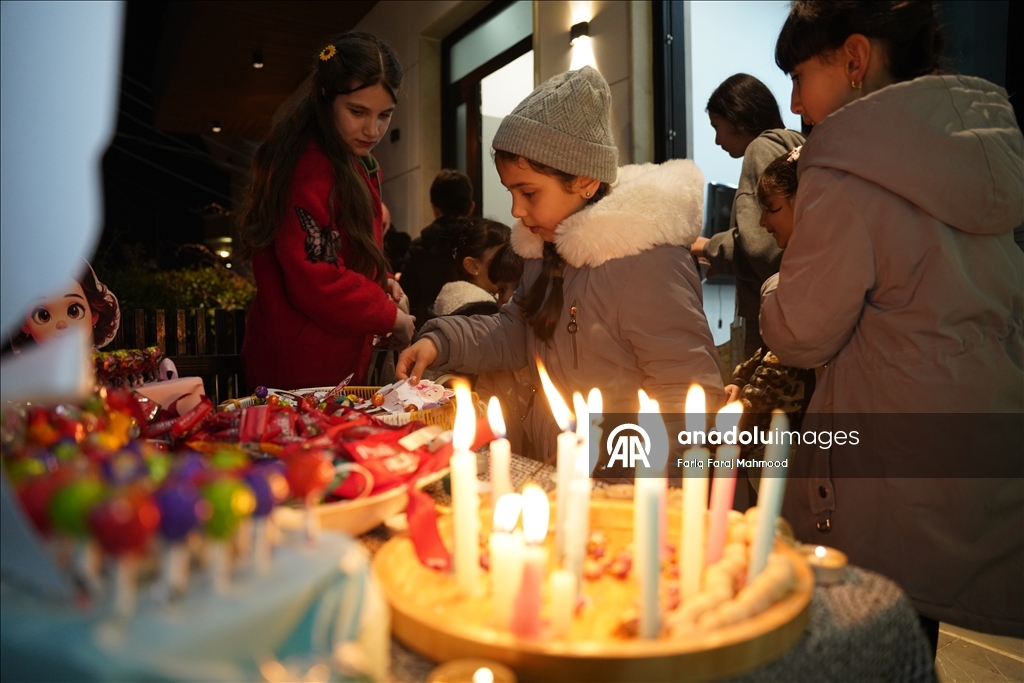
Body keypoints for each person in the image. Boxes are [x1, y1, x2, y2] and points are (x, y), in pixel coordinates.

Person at [763, 0, 1023, 644]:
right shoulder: (982, 152)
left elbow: (802, 331)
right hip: (979, 426)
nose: (794, 105)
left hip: (885, 444)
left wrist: (775, 287)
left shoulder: (844, 164)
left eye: (798, 76)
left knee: (871, 636)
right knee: (919, 622)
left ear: (854, 58)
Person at [397, 67, 725, 462]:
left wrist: (635, 480)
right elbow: (517, 332)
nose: (516, 210)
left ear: (585, 180)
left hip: (622, 487)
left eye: (529, 192)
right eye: (511, 192)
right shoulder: (544, 252)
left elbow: (688, 393)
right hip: (559, 470)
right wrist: (442, 340)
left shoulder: (646, 262)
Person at [239, 32, 414, 390]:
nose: (373, 129)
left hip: (328, 358)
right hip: (299, 368)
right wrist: (390, 317)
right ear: (324, 96)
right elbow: (316, 279)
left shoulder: (353, 160)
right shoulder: (310, 165)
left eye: (385, 115)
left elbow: (349, 254)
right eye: (358, 111)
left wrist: (383, 287)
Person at [690, 74, 804, 358]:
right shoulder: (794, 144)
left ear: (737, 116)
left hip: (775, 313)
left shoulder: (760, 148)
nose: (717, 140)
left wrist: (707, 247)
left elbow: (762, 246)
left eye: (717, 126)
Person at [725, 149, 816, 470]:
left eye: (772, 209)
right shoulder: (800, 266)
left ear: (806, 204)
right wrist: (744, 378)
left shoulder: (818, 275)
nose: (763, 222)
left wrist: (741, 411)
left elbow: (786, 362)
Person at [403, 169, 476, 327]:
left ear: (434, 208)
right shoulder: (483, 243)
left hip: (429, 334)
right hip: (479, 332)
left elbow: (408, 302)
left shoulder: (419, 247)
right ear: (471, 207)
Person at [10, 262, 120, 351]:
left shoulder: (102, 366)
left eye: (74, 311)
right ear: (25, 324)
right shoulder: (27, 372)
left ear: (94, 316)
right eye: (43, 315)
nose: (61, 323)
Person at [430, 218, 510, 319]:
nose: (509, 263)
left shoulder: (455, 296)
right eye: (502, 257)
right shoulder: (478, 310)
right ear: (472, 266)